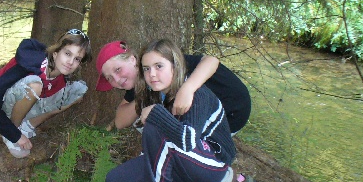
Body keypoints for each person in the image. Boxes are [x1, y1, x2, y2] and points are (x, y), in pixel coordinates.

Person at [105, 39, 254, 182]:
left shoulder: (196, 92)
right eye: (147, 69)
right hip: (181, 159)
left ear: (175, 65)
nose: (152, 74)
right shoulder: (157, 95)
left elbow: (187, 139)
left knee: (156, 127)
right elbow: (123, 122)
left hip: (211, 162)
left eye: (159, 66)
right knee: (115, 181)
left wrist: (156, 114)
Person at [95, 40, 251, 134]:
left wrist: (187, 88)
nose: (117, 79)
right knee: (147, 120)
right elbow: (120, 121)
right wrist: (142, 97)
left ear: (132, 59)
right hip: (206, 115)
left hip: (232, 109)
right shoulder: (139, 82)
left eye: (118, 69)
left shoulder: (159, 62)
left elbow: (211, 61)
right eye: (109, 78)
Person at [0, 29, 92, 158]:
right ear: (55, 53)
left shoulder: (61, 77)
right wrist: (14, 135)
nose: (70, 62)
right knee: (35, 85)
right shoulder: (28, 64)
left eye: (77, 59)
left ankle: (27, 126)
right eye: (67, 54)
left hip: (22, 110)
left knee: (77, 92)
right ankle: (12, 132)